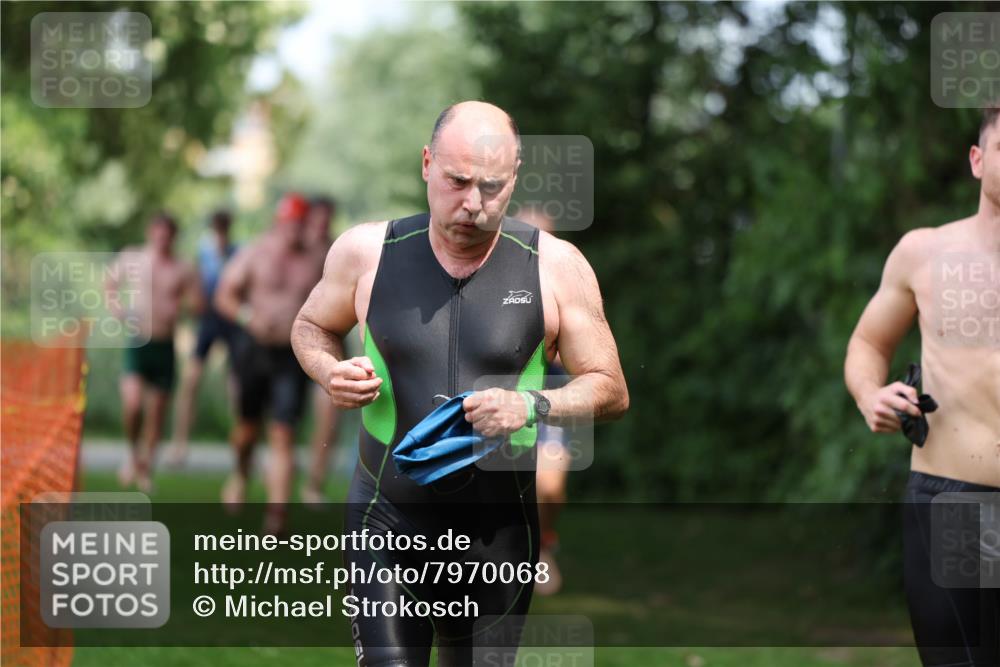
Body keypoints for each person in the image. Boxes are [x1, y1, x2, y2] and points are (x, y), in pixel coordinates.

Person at [291, 101, 629, 665]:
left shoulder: (556, 267)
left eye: (492, 187)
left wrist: (530, 405)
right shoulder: (367, 252)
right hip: (386, 517)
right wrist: (330, 370)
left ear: (514, 180)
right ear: (427, 165)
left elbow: (612, 388)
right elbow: (309, 326)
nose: (473, 203)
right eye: (457, 181)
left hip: (498, 530)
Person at [845, 105, 1000, 667]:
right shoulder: (925, 253)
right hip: (952, 501)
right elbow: (867, 344)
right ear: (978, 160)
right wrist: (871, 395)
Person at [214, 193, 321, 534]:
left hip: (291, 354)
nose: (295, 230)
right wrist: (248, 317)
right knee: (247, 431)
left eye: (300, 224)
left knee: (283, 432)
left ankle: (277, 517)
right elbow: (224, 295)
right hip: (254, 350)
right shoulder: (256, 252)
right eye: (290, 223)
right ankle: (241, 474)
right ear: (279, 222)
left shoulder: (315, 260)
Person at [108, 212, 198, 494]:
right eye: (158, 232)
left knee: (157, 415)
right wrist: (119, 310)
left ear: (173, 236)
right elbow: (109, 285)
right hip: (137, 342)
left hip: (164, 345)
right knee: (133, 405)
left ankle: (146, 471)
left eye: (168, 233)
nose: (162, 238)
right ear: (150, 232)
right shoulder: (133, 257)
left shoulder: (183, 267)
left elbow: (198, 303)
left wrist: (182, 308)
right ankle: (133, 457)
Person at [518, 206, 573, 597]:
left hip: (550, 390)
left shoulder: (566, 281)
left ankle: (542, 545)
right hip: (494, 388)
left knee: (549, 485)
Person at [167, 209, 238, 467]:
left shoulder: (237, 252)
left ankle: (240, 446)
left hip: (230, 322)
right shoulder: (203, 253)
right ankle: (179, 444)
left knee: (236, 387)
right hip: (208, 320)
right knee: (191, 381)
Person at [301, 196, 342, 504]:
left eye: (327, 218)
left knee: (329, 414)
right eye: (318, 217)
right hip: (285, 347)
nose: (323, 224)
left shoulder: (337, 251)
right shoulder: (293, 248)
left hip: (327, 345)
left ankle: (313, 484)